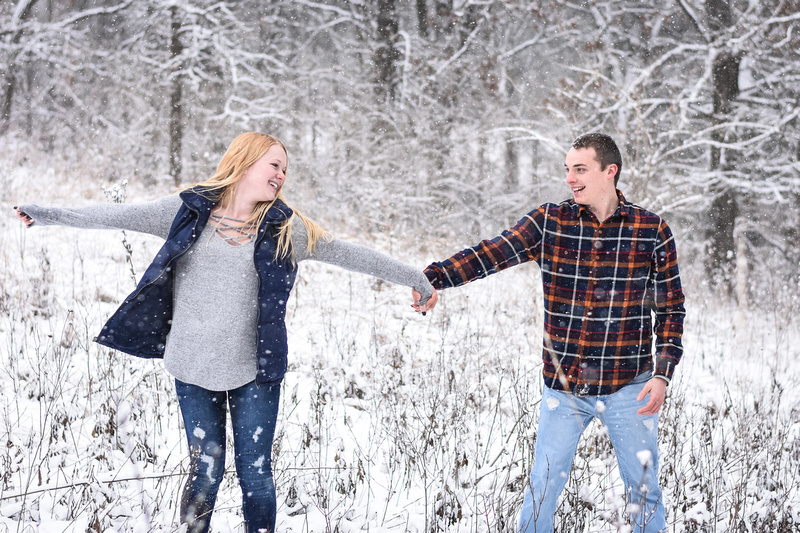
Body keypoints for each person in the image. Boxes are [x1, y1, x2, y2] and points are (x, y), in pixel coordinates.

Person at [15, 132, 434, 533]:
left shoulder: (287, 229)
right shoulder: (187, 211)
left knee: (255, 472)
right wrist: (47, 214)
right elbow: (115, 215)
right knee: (205, 467)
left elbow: (350, 253)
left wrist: (415, 276)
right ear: (245, 161)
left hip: (254, 367)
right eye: (274, 164)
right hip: (192, 362)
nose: (281, 175)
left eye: (285, 170)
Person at [413, 133, 685, 532]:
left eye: (580, 170)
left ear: (610, 171)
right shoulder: (550, 222)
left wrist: (662, 373)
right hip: (565, 386)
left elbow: (671, 308)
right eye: (567, 170)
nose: (571, 179)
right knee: (543, 485)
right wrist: (432, 277)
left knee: (643, 491)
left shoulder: (651, 230)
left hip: (631, 387)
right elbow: (492, 252)